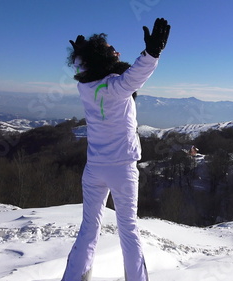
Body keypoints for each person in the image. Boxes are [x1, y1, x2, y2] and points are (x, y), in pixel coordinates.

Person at [61, 18, 171, 281]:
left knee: (89, 228)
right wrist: (152, 53)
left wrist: (81, 55)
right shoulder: (116, 86)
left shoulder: (85, 87)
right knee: (128, 230)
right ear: (103, 58)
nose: (118, 52)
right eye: (112, 50)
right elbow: (134, 75)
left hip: (94, 169)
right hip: (122, 169)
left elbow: (96, 70)